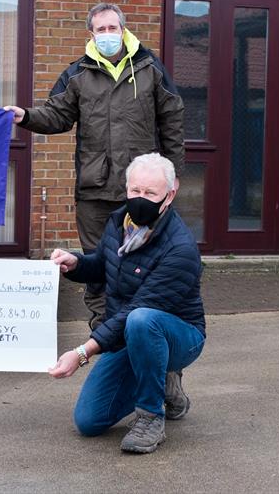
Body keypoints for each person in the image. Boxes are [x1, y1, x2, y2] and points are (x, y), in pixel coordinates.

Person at [5, 3, 185, 330]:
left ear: (123, 29)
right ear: (91, 33)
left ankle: (144, 328)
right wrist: (26, 116)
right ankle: (104, 331)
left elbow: (172, 119)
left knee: (144, 263)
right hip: (94, 190)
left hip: (141, 190)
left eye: (112, 28)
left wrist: (171, 174)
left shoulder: (149, 67)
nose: (106, 35)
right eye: (100, 30)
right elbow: (57, 116)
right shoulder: (77, 74)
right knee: (98, 264)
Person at [48, 153, 204, 454]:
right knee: (89, 421)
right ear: (127, 187)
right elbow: (104, 264)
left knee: (143, 320)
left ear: (170, 195)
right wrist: (75, 264)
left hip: (179, 337)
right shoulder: (121, 222)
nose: (140, 199)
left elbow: (137, 310)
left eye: (150, 193)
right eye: (135, 190)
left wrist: (82, 353)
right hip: (130, 334)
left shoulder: (180, 248)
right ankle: (161, 379)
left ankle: (151, 417)